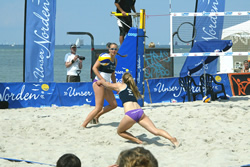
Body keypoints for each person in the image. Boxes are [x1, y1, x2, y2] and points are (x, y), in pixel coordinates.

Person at [97, 72, 180, 147]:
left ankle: (138, 141)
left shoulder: (120, 85)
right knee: (155, 131)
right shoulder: (133, 89)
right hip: (140, 112)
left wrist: (100, 82)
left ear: (122, 79)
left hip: (130, 114)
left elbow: (107, 84)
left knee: (120, 132)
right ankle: (172, 139)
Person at [81, 43, 119, 128]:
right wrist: (101, 79)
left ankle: (96, 116)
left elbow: (113, 74)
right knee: (98, 107)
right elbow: (94, 68)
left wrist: (115, 85)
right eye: (112, 49)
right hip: (99, 83)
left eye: (116, 49)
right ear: (109, 49)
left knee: (114, 105)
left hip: (107, 84)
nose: (114, 51)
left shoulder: (115, 60)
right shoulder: (104, 57)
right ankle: (83, 125)